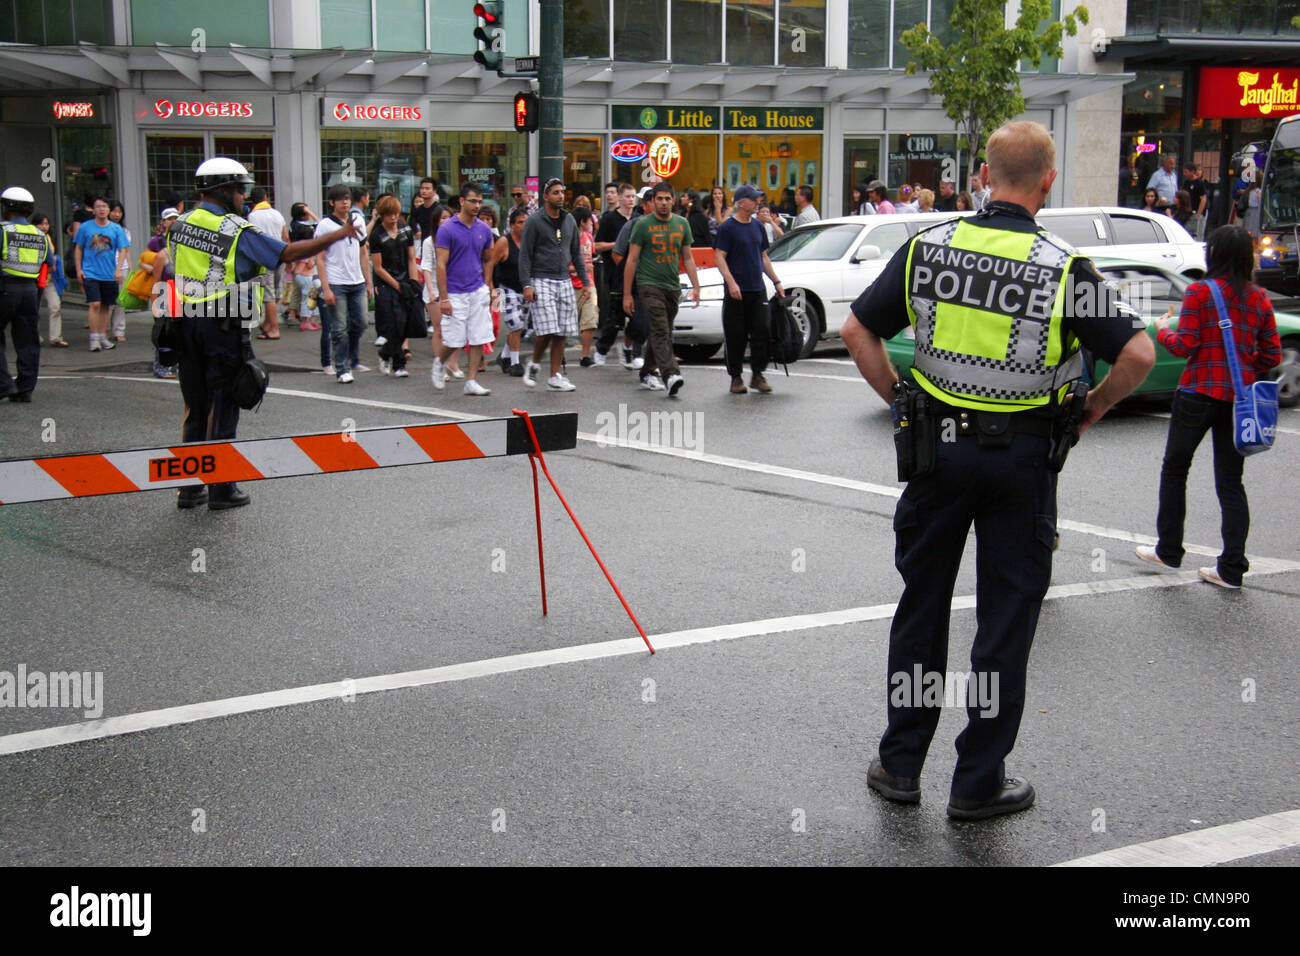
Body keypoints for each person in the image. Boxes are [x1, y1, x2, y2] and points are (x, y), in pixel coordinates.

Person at [840, 120, 1155, 820]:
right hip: (1022, 462)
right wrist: (1093, 408)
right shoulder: (1063, 268)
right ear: (1047, 181)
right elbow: (1136, 354)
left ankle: (900, 766)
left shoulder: (929, 248)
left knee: (921, 611)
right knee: (1004, 622)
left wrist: (900, 398)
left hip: (935, 454)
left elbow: (857, 329)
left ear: (983, 174)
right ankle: (977, 783)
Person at [167, 157, 362, 509]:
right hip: (221, 324)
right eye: (240, 189)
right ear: (222, 190)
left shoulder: (179, 224)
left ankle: (189, 487)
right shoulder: (233, 228)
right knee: (223, 405)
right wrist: (339, 234)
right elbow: (287, 253)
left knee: (194, 406)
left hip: (182, 323)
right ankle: (222, 488)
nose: (244, 196)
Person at [1138, 226, 1280, 589]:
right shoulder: (1259, 298)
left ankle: (1169, 549)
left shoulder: (1200, 291)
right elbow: (1271, 356)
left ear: (1214, 253)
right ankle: (1232, 568)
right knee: (1231, 483)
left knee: (1175, 469)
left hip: (1198, 394)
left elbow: (1184, 345)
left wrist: (1163, 328)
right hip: (1238, 401)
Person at [623, 181, 701, 397]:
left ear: (673, 200)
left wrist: (696, 285)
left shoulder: (682, 224)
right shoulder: (642, 225)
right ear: (653, 201)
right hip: (648, 284)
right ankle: (670, 374)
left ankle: (647, 372)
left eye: (668, 198)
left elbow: (688, 256)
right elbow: (632, 259)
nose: (664, 203)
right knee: (660, 328)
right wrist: (628, 294)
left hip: (672, 286)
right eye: (660, 199)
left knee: (662, 330)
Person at [518, 177, 591, 391]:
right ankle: (534, 363)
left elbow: (576, 253)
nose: (560, 196)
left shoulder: (568, 220)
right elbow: (525, 255)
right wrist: (527, 285)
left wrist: (585, 282)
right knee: (547, 329)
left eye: (562, 192)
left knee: (562, 331)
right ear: (546, 196)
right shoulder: (535, 221)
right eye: (556, 192)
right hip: (541, 278)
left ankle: (555, 375)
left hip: (564, 279)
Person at [714, 184, 785, 395]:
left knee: (762, 330)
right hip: (737, 290)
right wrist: (731, 282)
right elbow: (720, 256)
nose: (757, 203)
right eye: (753, 200)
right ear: (741, 202)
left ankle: (757, 374)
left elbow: (763, 257)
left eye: (758, 200)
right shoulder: (727, 228)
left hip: (757, 288)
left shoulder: (757, 227)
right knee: (736, 333)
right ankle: (735, 377)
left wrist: (776, 281)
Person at [432, 182, 496, 396]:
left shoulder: (484, 229)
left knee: (479, 336)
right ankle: (440, 363)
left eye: (479, 201)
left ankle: (471, 380)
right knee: (454, 340)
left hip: (477, 290)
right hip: (454, 291)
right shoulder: (447, 229)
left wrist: (487, 285)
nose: (477, 205)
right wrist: (444, 298)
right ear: (461, 201)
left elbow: (488, 259)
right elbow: (440, 264)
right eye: (472, 201)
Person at [1, 186, 54, 402]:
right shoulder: (39, 234)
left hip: (4, 289)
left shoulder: (3, 230)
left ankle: (3, 384)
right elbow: (50, 264)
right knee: (28, 341)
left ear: (8, 207)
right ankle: (24, 389)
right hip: (30, 292)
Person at [315, 184, 372, 383]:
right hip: (336, 281)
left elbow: (364, 252)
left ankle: (347, 355)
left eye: (347, 198)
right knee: (338, 328)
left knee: (362, 322)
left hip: (357, 280)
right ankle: (342, 368)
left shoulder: (358, 220)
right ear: (332, 203)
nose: (345, 202)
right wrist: (326, 287)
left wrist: (368, 281)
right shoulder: (324, 225)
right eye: (341, 199)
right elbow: (320, 258)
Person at [592, 182, 641, 368]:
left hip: (636, 272)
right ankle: (602, 349)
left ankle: (633, 351)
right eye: (627, 196)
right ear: (620, 198)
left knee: (638, 315)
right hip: (615, 272)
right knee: (615, 317)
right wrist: (618, 244)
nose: (630, 200)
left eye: (633, 196)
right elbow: (597, 246)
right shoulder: (610, 219)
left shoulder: (638, 219)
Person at [369, 194, 418, 378]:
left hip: (405, 280)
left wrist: (413, 282)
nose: (393, 218)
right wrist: (396, 284)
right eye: (389, 214)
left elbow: (412, 258)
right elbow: (379, 267)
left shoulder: (405, 231)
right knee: (394, 323)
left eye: (396, 214)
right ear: (382, 215)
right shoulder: (377, 235)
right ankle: (398, 362)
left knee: (404, 323)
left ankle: (388, 355)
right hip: (386, 284)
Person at [72, 196, 129, 352]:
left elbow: (124, 249)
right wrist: (79, 269)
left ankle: (103, 337)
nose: (102, 209)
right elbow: (78, 248)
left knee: (106, 306)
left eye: (104, 206)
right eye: (98, 206)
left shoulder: (116, 229)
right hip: (91, 272)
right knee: (95, 304)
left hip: (109, 273)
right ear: (93, 209)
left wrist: (119, 269)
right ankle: (94, 338)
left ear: (108, 210)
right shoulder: (85, 227)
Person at [486, 207, 530, 377]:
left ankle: (504, 356)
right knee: (515, 324)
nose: (524, 226)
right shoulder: (504, 242)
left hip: (525, 288)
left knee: (520, 328)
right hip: (507, 289)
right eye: (520, 222)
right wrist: (490, 288)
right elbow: (490, 263)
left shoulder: (530, 242)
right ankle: (515, 363)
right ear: (512, 225)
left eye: (526, 222)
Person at [246, 187, 288, 339]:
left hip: (264, 259)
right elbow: (285, 238)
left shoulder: (252, 217)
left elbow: (252, 239)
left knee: (268, 295)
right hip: (280, 257)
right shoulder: (278, 214)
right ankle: (268, 324)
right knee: (275, 292)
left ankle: (274, 329)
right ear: (266, 198)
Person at [146, 207, 181, 377]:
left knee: (182, 333)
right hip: (166, 296)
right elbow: (155, 281)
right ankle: (161, 366)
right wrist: (155, 305)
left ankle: (179, 364)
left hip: (182, 297)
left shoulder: (185, 254)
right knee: (164, 333)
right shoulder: (162, 255)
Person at [31, 213, 68, 348]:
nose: (44, 226)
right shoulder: (31, 239)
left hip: (49, 278)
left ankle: (56, 337)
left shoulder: (48, 238)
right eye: (41, 224)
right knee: (34, 309)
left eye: (46, 224)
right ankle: (34, 336)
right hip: (36, 278)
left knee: (55, 306)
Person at [571, 205, 600, 366]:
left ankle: (585, 355)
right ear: (583, 222)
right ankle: (559, 354)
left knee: (590, 320)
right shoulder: (569, 239)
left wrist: (591, 283)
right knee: (566, 323)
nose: (592, 224)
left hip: (588, 285)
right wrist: (578, 268)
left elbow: (591, 262)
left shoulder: (589, 239)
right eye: (589, 220)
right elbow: (561, 265)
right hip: (571, 284)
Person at [286, 203, 321, 331]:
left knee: (313, 291)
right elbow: (320, 224)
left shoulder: (294, 226)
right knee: (309, 294)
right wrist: (310, 211)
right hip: (305, 268)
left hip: (303, 267)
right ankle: (306, 320)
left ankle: (311, 319)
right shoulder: (303, 229)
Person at [106, 200, 133, 342]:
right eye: (114, 211)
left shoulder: (125, 231)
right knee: (108, 302)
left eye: (119, 212)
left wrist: (130, 267)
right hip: (107, 268)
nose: (117, 215)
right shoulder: (104, 229)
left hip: (122, 268)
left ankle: (119, 330)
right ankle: (104, 329)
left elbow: (126, 250)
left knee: (120, 302)